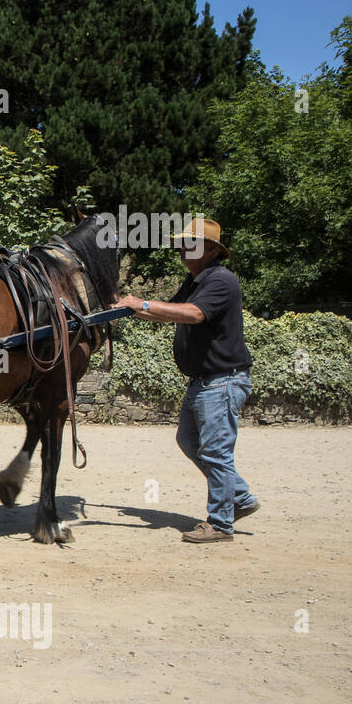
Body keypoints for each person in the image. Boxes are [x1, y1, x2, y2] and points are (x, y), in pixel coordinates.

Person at [117, 218, 258, 543]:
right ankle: (240, 498)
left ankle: (221, 524)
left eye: (189, 242)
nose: (181, 247)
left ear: (209, 249)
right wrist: (127, 307)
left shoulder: (220, 280)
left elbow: (193, 314)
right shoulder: (196, 279)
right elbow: (169, 312)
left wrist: (144, 303)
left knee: (215, 453)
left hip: (222, 380)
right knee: (189, 442)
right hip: (202, 381)